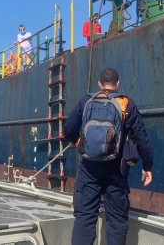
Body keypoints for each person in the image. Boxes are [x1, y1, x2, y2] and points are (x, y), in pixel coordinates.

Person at [64, 68, 154, 245]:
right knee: (117, 221)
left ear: (99, 84)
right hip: (116, 171)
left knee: (85, 218)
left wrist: (76, 140)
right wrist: (147, 167)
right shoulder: (127, 104)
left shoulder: (86, 100)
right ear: (117, 83)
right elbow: (142, 139)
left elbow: (68, 130)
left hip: (89, 169)